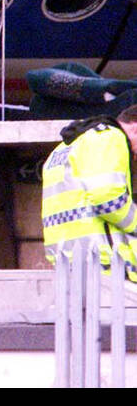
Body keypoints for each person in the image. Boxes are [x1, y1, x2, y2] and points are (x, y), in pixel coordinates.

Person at [41, 104, 137, 280]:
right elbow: (107, 198)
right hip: (105, 263)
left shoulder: (63, 148)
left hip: (69, 264)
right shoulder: (110, 137)